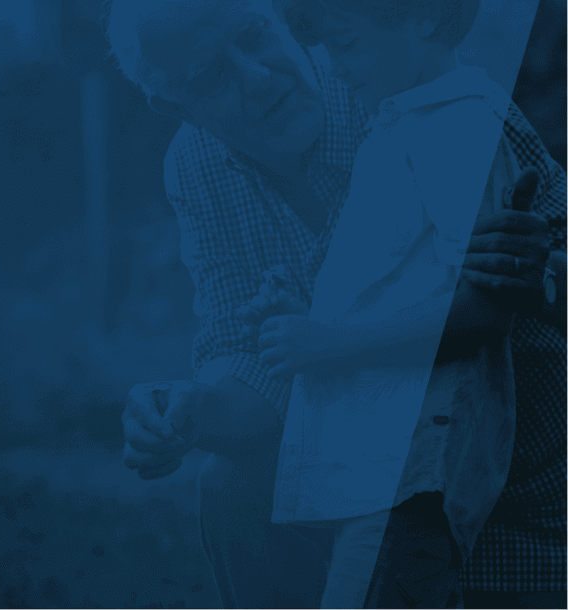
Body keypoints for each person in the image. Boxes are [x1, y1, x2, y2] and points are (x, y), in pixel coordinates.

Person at [105, 1, 566, 607]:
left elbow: (505, 293)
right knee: (234, 484)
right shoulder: (196, 165)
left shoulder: (397, 67)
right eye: (213, 77)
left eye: (254, 35)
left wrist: (537, 271)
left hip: (510, 456)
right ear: (174, 107)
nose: (260, 77)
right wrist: (189, 410)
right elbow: (244, 355)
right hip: (367, 457)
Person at [252, 0, 515, 606]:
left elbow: (483, 307)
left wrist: (330, 344)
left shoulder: (459, 125)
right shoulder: (401, 125)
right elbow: (404, 288)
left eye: (346, 44)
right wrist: (308, 319)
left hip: (410, 470)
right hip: (373, 467)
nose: (335, 69)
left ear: (423, 18)